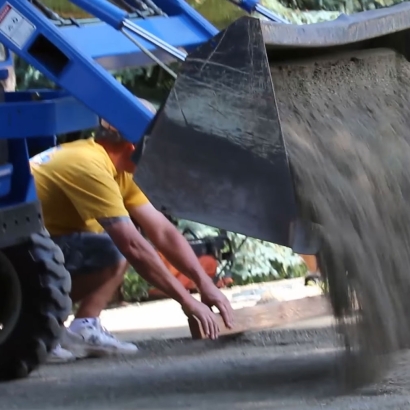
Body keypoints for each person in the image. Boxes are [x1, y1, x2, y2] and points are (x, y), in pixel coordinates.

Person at [30, 99, 234, 363]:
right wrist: (187, 302)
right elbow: (133, 246)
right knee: (118, 246)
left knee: (116, 244)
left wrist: (204, 285)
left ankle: (83, 329)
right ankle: (39, 326)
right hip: (16, 261)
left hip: (36, 252)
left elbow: (163, 232)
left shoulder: (120, 170)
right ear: (135, 143)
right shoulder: (88, 164)